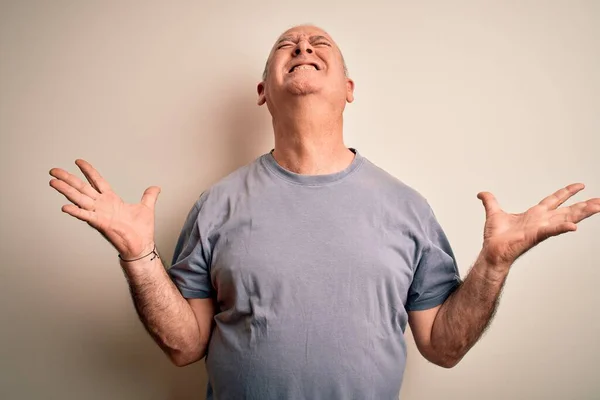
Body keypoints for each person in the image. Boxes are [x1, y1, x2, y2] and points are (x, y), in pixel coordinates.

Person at [49, 24, 600, 400]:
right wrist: (138, 258)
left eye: (320, 44)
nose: (304, 46)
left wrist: (496, 263)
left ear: (349, 88)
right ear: (264, 89)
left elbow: (443, 346)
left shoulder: (407, 207)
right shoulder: (216, 204)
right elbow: (185, 347)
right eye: (287, 44)